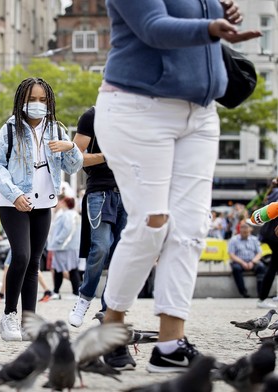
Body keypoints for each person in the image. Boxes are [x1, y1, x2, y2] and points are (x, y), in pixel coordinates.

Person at [91, 0, 261, 373]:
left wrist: (219, 13)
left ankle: (170, 345)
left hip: (201, 114)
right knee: (152, 223)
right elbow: (153, 26)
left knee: (191, 229)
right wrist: (209, 27)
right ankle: (111, 328)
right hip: (137, 108)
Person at [0, 77, 82, 341]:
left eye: (43, 100)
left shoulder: (57, 129)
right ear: (21, 101)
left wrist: (71, 147)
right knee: (21, 256)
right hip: (14, 203)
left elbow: (73, 166)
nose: (38, 105)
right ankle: (9, 316)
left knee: (34, 262)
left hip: (45, 203)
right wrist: (14, 193)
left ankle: (29, 322)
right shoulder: (9, 129)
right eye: (32, 100)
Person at [68, 107, 128, 341]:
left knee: (121, 253)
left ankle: (108, 307)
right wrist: (107, 156)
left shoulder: (135, 116)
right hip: (100, 192)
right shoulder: (92, 116)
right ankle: (84, 297)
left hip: (128, 192)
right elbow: (75, 157)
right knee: (101, 246)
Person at [47, 196, 81, 300]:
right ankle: (59, 291)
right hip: (70, 246)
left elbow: (67, 229)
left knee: (63, 269)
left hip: (63, 247)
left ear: (65, 203)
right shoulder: (74, 214)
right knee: (70, 269)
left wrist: (58, 241)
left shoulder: (66, 215)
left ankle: (71, 292)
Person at [228, 222, 266, 299]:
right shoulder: (234, 240)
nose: (245, 233)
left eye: (247, 232)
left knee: (261, 267)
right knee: (236, 269)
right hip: (239, 262)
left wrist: (252, 262)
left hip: (253, 261)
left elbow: (259, 253)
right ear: (240, 231)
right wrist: (243, 263)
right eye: (243, 232)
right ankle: (243, 292)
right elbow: (231, 254)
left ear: (250, 231)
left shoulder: (254, 239)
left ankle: (261, 293)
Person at [258, 178, 278, 309]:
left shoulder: (273, 192)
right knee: (274, 265)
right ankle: (262, 298)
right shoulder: (277, 193)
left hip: (270, 233)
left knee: (275, 265)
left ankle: (264, 297)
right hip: (274, 234)